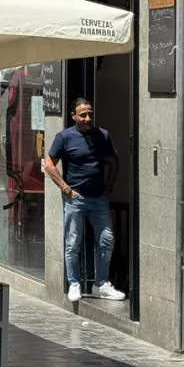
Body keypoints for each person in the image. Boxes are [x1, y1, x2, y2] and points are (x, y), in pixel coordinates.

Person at [43, 98, 123, 302]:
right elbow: (50, 164)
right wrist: (65, 188)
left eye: (90, 114)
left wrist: (110, 185)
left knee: (106, 240)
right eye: (83, 115)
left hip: (98, 199)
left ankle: (102, 284)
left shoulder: (102, 135)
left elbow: (114, 161)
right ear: (73, 117)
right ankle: (74, 283)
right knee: (73, 242)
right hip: (75, 199)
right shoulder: (65, 137)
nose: (88, 118)